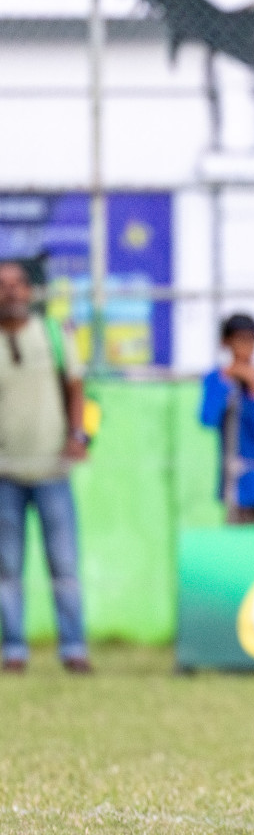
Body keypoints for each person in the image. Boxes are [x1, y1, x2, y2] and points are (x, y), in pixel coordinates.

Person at [0, 260, 91, 674]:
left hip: (53, 471)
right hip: (4, 474)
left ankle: (73, 648)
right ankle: (14, 651)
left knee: (65, 567)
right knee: (7, 569)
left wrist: (78, 436)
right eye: (3, 286)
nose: (11, 292)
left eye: (18, 284)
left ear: (32, 291)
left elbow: (76, 389)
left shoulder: (54, 334)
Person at [199, 313, 254, 524]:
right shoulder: (216, 379)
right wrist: (226, 382)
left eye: (250, 340)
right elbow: (207, 419)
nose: (245, 348)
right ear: (225, 343)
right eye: (238, 340)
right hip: (237, 487)